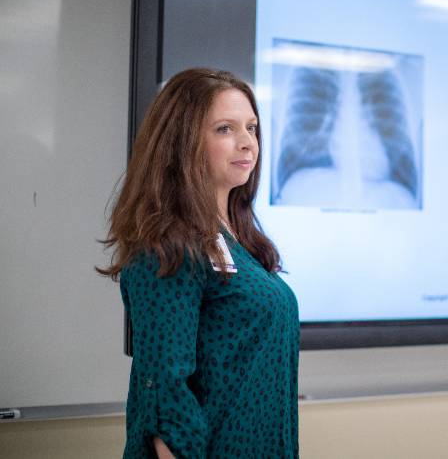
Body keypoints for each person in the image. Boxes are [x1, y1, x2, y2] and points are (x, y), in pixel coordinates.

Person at [97, 68, 299, 458]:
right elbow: (165, 398)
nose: (247, 143)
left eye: (252, 128)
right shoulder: (168, 247)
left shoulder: (240, 242)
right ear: (182, 142)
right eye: (225, 129)